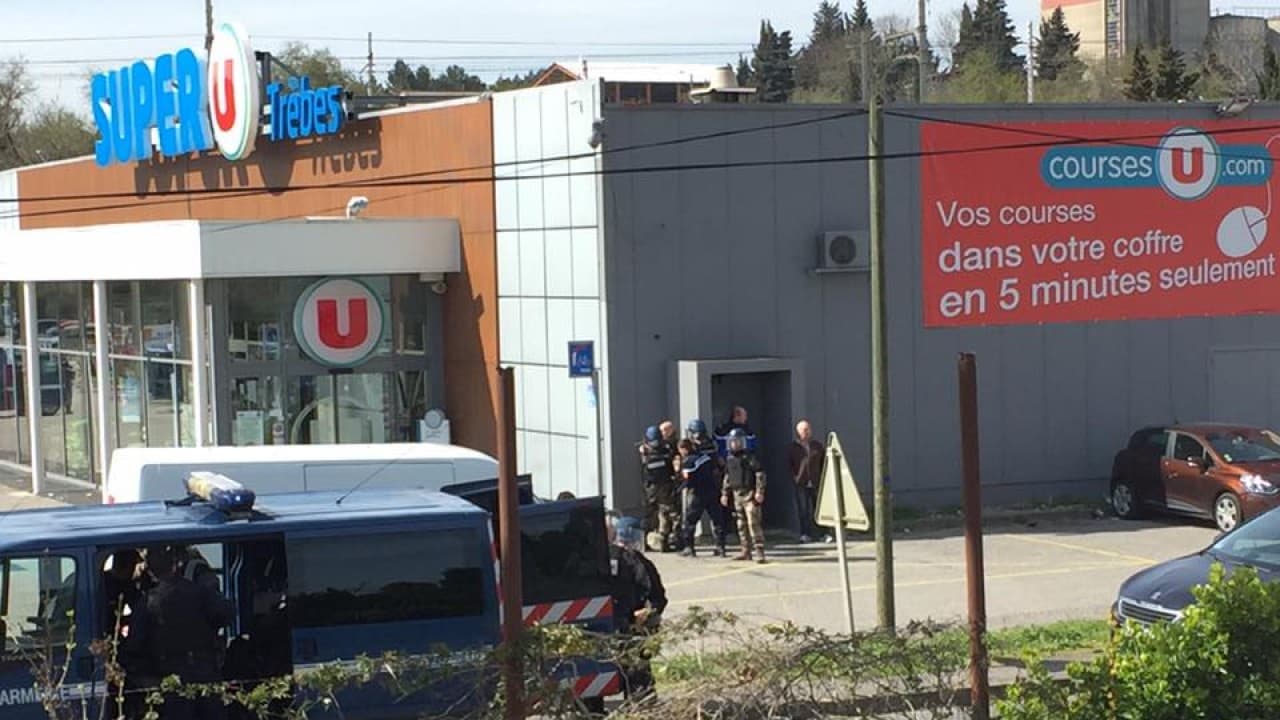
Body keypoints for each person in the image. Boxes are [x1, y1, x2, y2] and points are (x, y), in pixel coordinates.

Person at [132, 544, 235, 720]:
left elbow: (135, 647)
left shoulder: (146, 603)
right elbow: (226, 614)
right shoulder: (200, 592)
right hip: (206, 673)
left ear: (149, 570)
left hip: (170, 680)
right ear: (175, 565)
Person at [606, 514, 667, 702]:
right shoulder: (637, 560)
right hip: (632, 629)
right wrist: (648, 612)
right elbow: (656, 594)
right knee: (639, 677)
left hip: (604, 627)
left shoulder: (597, 559)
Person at [721, 429, 767, 563]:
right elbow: (727, 477)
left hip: (749, 494)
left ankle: (759, 551)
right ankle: (745, 551)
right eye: (732, 442)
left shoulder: (750, 458)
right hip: (737, 495)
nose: (735, 444)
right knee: (741, 524)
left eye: (737, 441)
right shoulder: (729, 459)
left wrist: (760, 491)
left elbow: (760, 474)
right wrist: (724, 493)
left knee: (753, 522)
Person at [677, 438, 728, 557]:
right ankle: (720, 547)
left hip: (697, 494)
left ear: (684, 449)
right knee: (717, 520)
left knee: (690, 521)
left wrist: (679, 487)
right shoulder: (706, 458)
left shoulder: (688, 461)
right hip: (712, 491)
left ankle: (689, 548)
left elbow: (687, 479)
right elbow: (716, 470)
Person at [638, 425, 678, 552]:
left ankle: (643, 543)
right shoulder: (665, 449)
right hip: (665, 486)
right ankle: (664, 543)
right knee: (666, 514)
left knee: (649, 515)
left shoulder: (645, 450)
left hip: (651, 487)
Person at [788, 420, 826, 543]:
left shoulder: (817, 446)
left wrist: (822, 476)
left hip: (816, 482)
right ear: (798, 432)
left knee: (819, 508)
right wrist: (795, 476)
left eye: (808, 429)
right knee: (803, 510)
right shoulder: (793, 447)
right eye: (804, 430)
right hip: (801, 483)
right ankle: (805, 534)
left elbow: (823, 462)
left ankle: (823, 534)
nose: (807, 432)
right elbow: (789, 464)